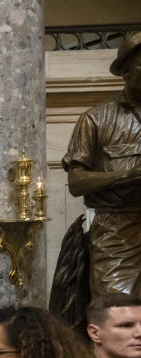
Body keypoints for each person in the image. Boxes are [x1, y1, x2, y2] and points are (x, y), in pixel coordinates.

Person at [62, 32, 141, 299]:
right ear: (126, 71)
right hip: (116, 235)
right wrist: (128, 175)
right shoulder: (96, 119)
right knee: (117, 310)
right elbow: (76, 182)